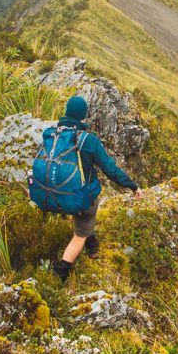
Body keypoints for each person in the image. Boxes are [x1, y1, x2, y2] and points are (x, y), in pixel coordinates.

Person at [52, 96, 142, 282]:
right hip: (81, 197)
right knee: (80, 232)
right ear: (83, 116)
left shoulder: (52, 134)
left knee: (84, 219)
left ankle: (91, 242)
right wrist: (132, 185)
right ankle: (61, 272)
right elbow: (110, 169)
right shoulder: (88, 140)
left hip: (55, 193)